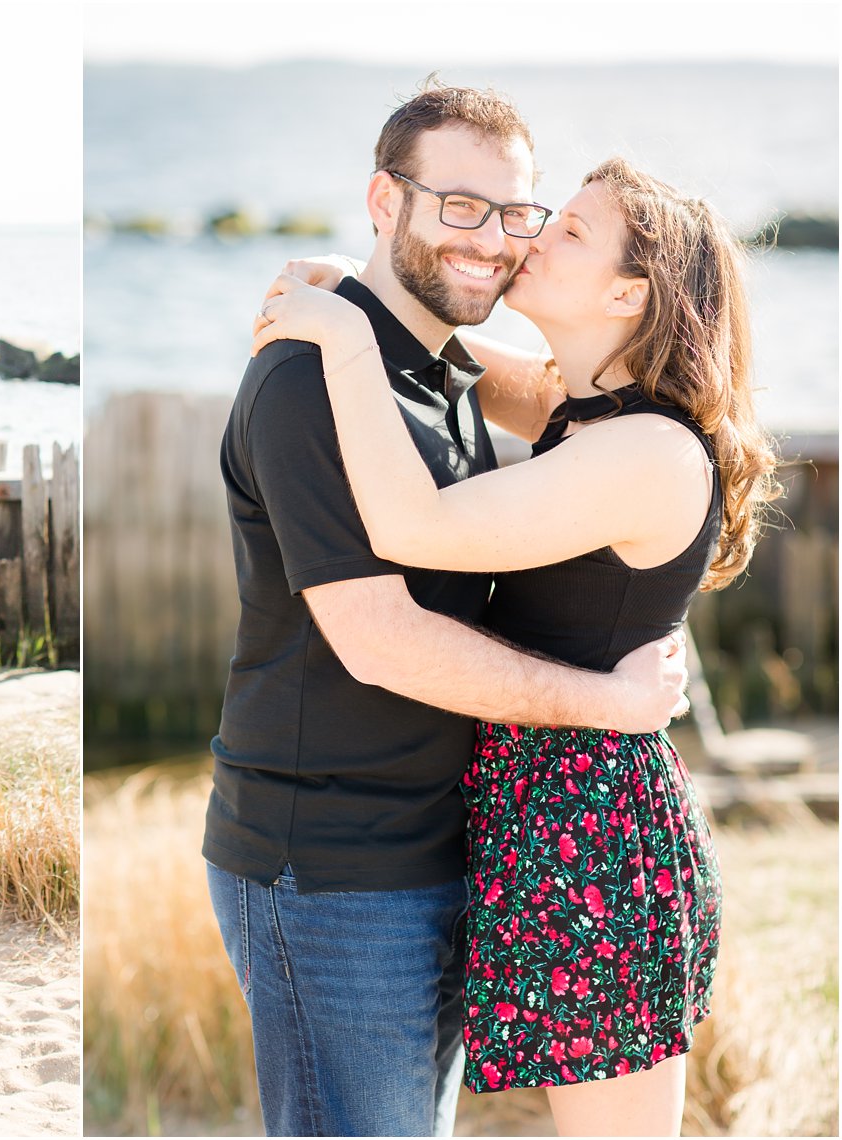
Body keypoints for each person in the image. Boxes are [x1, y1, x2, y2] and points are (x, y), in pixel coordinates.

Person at [206, 83, 696, 1138]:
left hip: (446, 849)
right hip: (326, 864)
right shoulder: (308, 381)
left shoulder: (443, 373)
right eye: (457, 206)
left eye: (521, 215)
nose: (496, 242)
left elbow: (598, 448)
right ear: (384, 201)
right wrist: (606, 699)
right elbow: (379, 637)